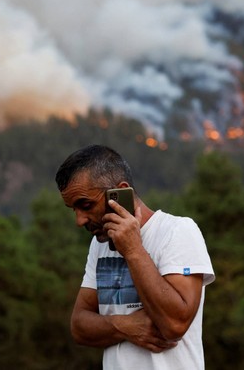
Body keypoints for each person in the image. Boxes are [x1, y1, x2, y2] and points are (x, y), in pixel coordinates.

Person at [55, 144, 215, 369]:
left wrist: (133, 250)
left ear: (120, 192)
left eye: (86, 205)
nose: (79, 220)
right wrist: (126, 325)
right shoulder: (99, 245)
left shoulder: (177, 231)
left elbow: (174, 325)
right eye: (73, 209)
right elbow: (79, 326)